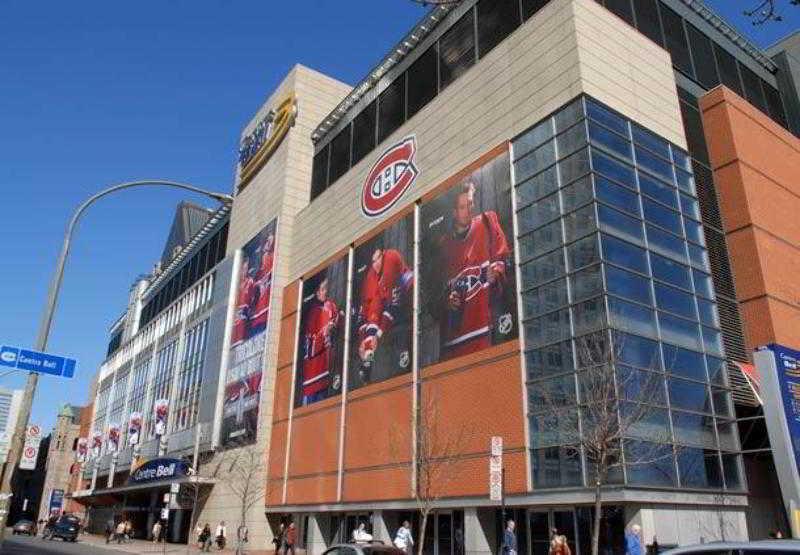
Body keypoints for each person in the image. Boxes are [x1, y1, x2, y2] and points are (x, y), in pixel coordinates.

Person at [438, 180, 511, 358]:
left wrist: (497, 273)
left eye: (470, 204)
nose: (469, 209)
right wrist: (446, 301)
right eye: (463, 207)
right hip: (454, 345)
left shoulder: (487, 222)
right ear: (454, 212)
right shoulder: (443, 246)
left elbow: (503, 260)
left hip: (485, 335)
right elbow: (433, 299)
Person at [354, 247, 414, 383]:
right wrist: (365, 342)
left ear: (383, 254)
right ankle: (367, 365)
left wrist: (378, 334)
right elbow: (373, 312)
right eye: (372, 261)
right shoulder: (371, 277)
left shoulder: (391, 257)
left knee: (407, 282)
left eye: (378, 258)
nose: (375, 263)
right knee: (371, 329)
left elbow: (393, 304)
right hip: (391, 306)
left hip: (404, 298)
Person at [300, 277, 342, 405]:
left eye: (326, 289)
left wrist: (338, 323)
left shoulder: (331, 306)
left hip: (327, 376)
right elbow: (309, 349)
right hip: (312, 381)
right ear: (317, 293)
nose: (326, 292)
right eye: (323, 289)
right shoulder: (312, 314)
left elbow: (338, 323)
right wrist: (324, 332)